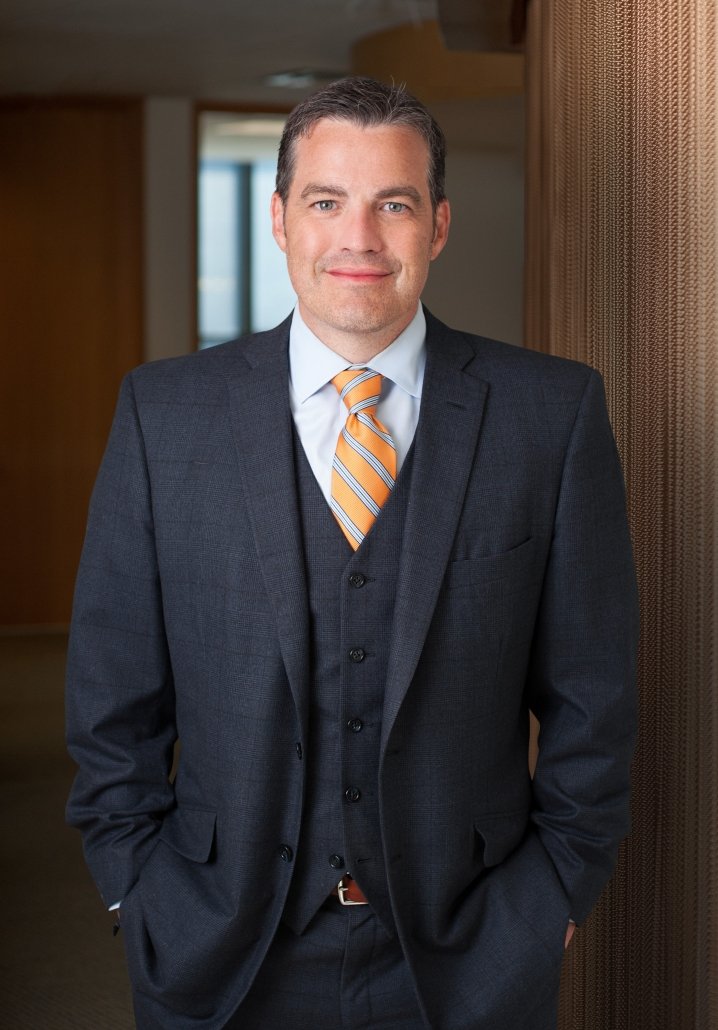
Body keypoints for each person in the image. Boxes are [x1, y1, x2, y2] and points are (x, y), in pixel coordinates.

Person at [66, 76, 638, 1030]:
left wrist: (554, 898)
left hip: (472, 956)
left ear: (439, 226)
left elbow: (596, 694)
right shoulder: (163, 416)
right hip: (217, 951)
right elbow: (111, 697)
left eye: (394, 205)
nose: (359, 239)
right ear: (282, 218)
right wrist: (137, 889)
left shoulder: (552, 414)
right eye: (328, 202)